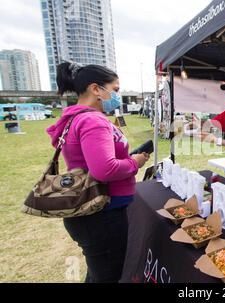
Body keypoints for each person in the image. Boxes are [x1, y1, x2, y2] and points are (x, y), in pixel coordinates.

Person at [46, 62, 150, 283]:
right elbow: (105, 169)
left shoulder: (76, 118)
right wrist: (135, 163)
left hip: (92, 212)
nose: (117, 95)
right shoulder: (92, 120)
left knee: (99, 273)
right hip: (102, 214)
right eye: (115, 89)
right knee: (108, 275)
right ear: (96, 89)